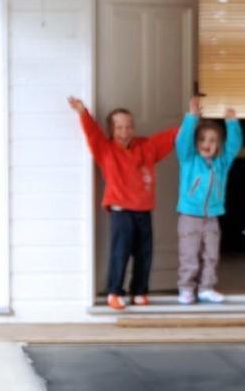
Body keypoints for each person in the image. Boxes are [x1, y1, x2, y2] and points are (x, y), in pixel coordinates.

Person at [67, 97, 179, 310]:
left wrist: (192, 119)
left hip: (144, 211)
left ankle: (139, 291)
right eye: (119, 127)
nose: (125, 131)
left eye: (128, 126)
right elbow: (92, 133)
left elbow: (171, 136)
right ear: (111, 129)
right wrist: (83, 112)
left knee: (145, 253)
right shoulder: (105, 149)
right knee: (121, 251)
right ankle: (115, 292)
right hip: (120, 211)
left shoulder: (146, 146)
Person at [175, 96, 242, 304]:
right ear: (196, 143)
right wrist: (192, 116)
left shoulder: (221, 163)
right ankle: (186, 288)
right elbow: (182, 140)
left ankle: (206, 288)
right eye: (203, 139)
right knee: (189, 255)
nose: (207, 144)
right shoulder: (189, 159)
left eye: (213, 141)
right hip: (189, 216)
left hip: (212, 216)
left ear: (218, 145)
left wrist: (231, 123)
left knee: (211, 254)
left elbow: (234, 145)